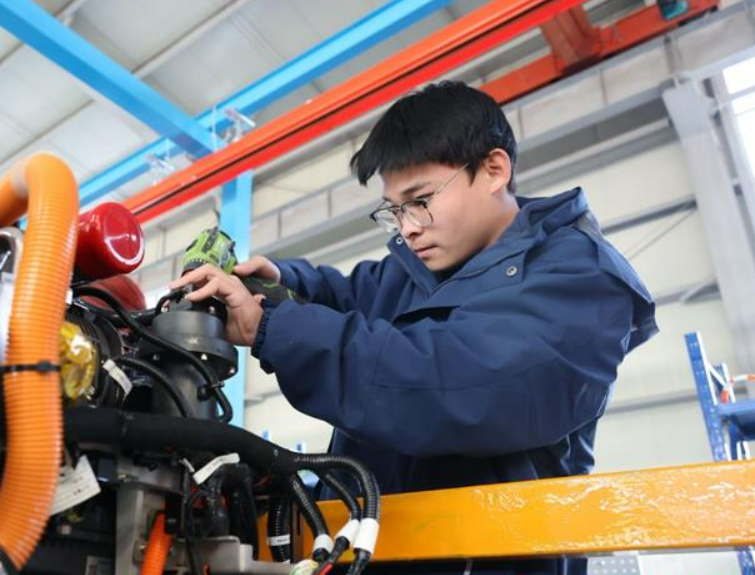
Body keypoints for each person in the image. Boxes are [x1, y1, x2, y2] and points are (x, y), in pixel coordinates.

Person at [169, 81, 658, 575]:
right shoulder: (420, 271)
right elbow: (346, 296)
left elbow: (456, 384)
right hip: (376, 552)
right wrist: (281, 282)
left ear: (494, 169)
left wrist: (274, 326)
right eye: (394, 210)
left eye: (420, 200)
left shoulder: (581, 278)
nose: (407, 227)